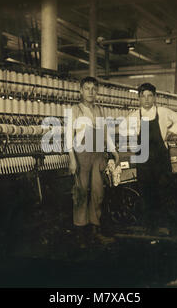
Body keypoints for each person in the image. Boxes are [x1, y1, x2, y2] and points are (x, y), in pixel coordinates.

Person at [120, 83, 177, 234]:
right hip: (143, 159)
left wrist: (171, 132)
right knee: (146, 191)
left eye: (150, 96)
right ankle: (150, 227)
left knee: (165, 190)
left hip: (161, 158)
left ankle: (169, 226)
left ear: (155, 97)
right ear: (139, 98)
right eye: (143, 96)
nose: (146, 100)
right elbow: (122, 128)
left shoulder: (162, 112)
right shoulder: (134, 115)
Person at [67, 76, 119, 247]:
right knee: (81, 194)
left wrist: (114, 151)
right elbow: (68, 137)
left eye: (94, 89)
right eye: (87, 88)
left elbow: (105, 134)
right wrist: (72, 159)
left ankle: (95, 231)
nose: (90, 92)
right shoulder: (74, 110)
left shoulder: (100, 110)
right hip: (81, 155)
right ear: (80, 90)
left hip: (97, 155)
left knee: (98, 193)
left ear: (97, 92)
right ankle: (80, 235)